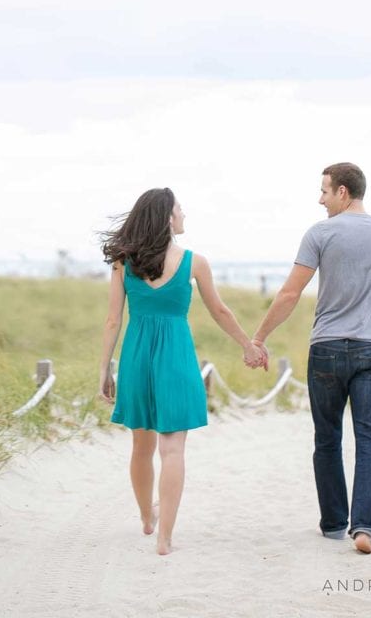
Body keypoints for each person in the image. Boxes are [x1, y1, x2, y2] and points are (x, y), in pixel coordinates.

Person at [248, 162, 371, 554]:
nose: (320, 200)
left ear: (343, 191)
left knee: (328, 438)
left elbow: (289, 294)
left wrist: (259, 337)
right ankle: (365, 529)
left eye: (324, 191)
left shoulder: (320, 233)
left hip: (327, 348)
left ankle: (334, 523)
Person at [98, 187, 267, 555]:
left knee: (141, 446)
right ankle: (165, 538)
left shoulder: (123, 262)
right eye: (180, 209)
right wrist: (248, 345)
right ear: (167, 218)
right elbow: (220, 311)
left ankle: (147, 518)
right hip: (175, 357)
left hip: (136, 357)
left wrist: (104, 370)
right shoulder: (194, 262)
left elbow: (113, 320)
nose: (184, 214)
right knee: (172, 450)